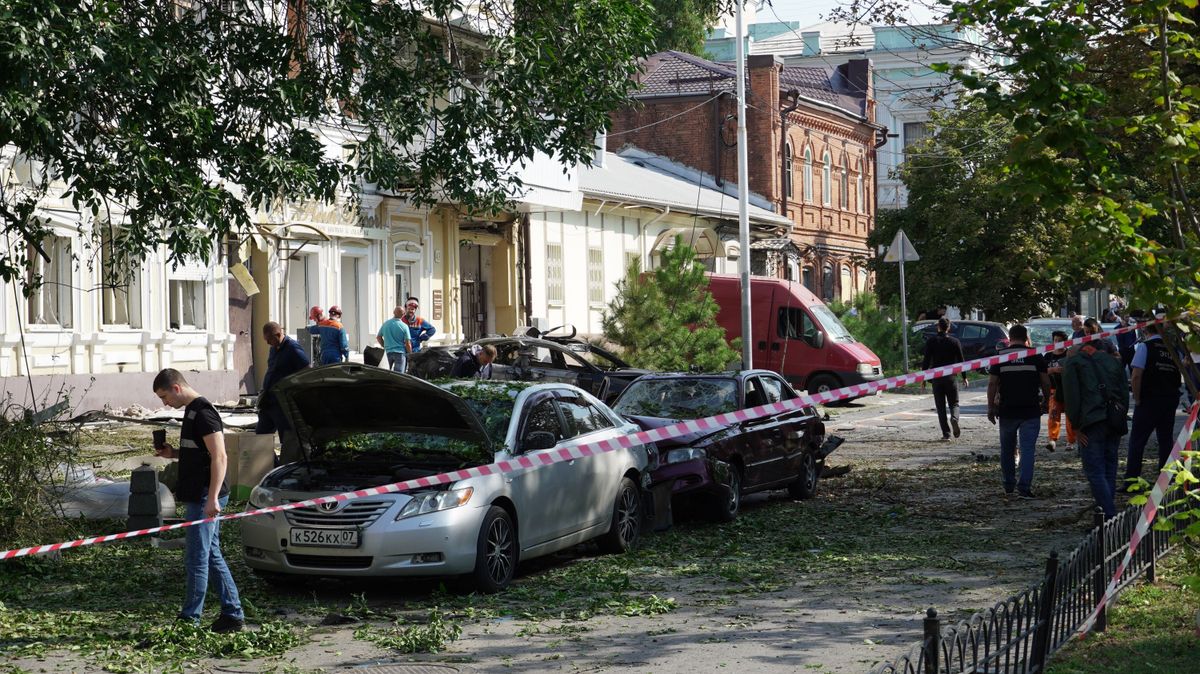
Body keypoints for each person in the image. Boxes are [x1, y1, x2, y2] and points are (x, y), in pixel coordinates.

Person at [151, 369, 244, 632]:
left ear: (177, 388)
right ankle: (233, 613)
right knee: (211, 554)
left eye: (164, 396)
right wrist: (174, 453)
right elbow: (201, 453)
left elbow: (220, 457)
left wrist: (212, 498)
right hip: (199, 493)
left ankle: (190, 619)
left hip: (205, 495)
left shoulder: (203, 413)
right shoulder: (191, 412)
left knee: (196, 557)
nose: (164, 402)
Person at [1062, 337, 1130, 519]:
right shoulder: (1113, 362)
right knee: (1110, 466)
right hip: (1114, 420)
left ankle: (1109, 515)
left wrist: (1075, 426)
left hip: (1091, 422)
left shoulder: (1073, 363)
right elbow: (1124, 392)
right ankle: (1108, 515)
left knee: (1094, 470)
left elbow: (1071, 397)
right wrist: (1120, 417)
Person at [988, 324, 1052, 498]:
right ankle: (1024, 488)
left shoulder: (1000, 356)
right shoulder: (1035, 356)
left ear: (1010, 338)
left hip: (1007, 410)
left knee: (1007, 450)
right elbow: (1046, 382)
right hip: (1030, 410)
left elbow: (993, 383)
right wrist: (1047, 401)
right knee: (1028, 449)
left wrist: (991, 407)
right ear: (1026, 338)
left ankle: (1009, 485)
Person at [1124, 321, 1182, 483]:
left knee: (1137, 440)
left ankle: (1132, 479)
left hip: (1149, 400)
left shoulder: (1145, 346)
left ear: (1144, 330)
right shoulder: (1172, 349)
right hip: (1169, 399)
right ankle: (1166, 479)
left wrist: (1137, 398)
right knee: (1165, 439)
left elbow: (1136, 375)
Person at [255, 322, 310, 463]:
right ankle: (272, 465)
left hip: (282, 403)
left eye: (269, 340)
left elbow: (306, 371)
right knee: (260, 437)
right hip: (268, 401)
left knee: (286, 438)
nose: (267, 343)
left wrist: (294, 392)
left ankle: (285, 467)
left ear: (278, 335)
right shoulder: (274, 348)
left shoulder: (293, 348)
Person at [920, 318, 968, 440]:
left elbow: (926, 361)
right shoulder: (955, 341)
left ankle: (946, 434)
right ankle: (954, 418)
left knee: (940, 407)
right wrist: (964, 377)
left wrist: (923, 380)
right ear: (949, 328)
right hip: (951, 378)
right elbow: (961, 361)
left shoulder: (931, 341)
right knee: (954, 403)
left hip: (936, 378)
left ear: (938, 327)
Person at [1044, 330, 1076, 452]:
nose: (1057, 343)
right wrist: (1053, 370)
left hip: (1068, 389)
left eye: (1060, 341)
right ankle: (1052, 440)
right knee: (1053, 415)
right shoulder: (1048, 356)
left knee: (1071, 416)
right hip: (1054, 389)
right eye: (1056, 340)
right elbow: (1042, 372)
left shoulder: (1070, 354)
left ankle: (1071, 441)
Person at [376, 306, 413, 373]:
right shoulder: (404, 326)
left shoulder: (386, 324)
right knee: (399, 375)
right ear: (403, 314)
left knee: (386, 373)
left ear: (393, 312)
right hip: (400, 353)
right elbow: (408, 343)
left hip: (388, 352)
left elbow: (378, 337)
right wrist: (410, 354)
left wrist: (384, 346)